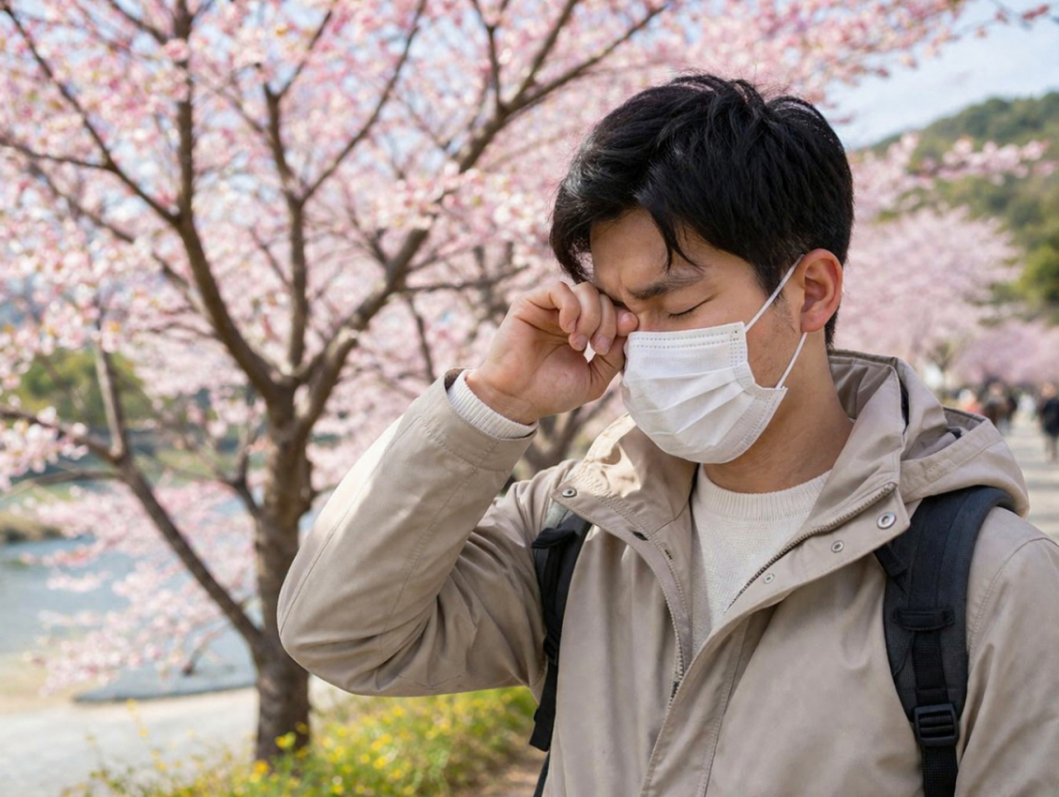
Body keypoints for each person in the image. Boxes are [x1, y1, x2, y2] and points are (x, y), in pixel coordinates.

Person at [277, 75, 1059, 795]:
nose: (641, 344)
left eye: (678, 308)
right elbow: (341, 634)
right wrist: (492, 401)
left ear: (812, 291)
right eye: (621, 310)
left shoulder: (994, 583)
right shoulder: (581, 525)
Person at [1039, 382, 1059, 463]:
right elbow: (1041, 412)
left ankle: (1053, 454)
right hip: (1048, 423)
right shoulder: (1045, 402)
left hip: (1055, 424)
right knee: (1048, 440)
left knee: (1053, 440)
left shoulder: (1056, 401)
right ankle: (1049, 454)